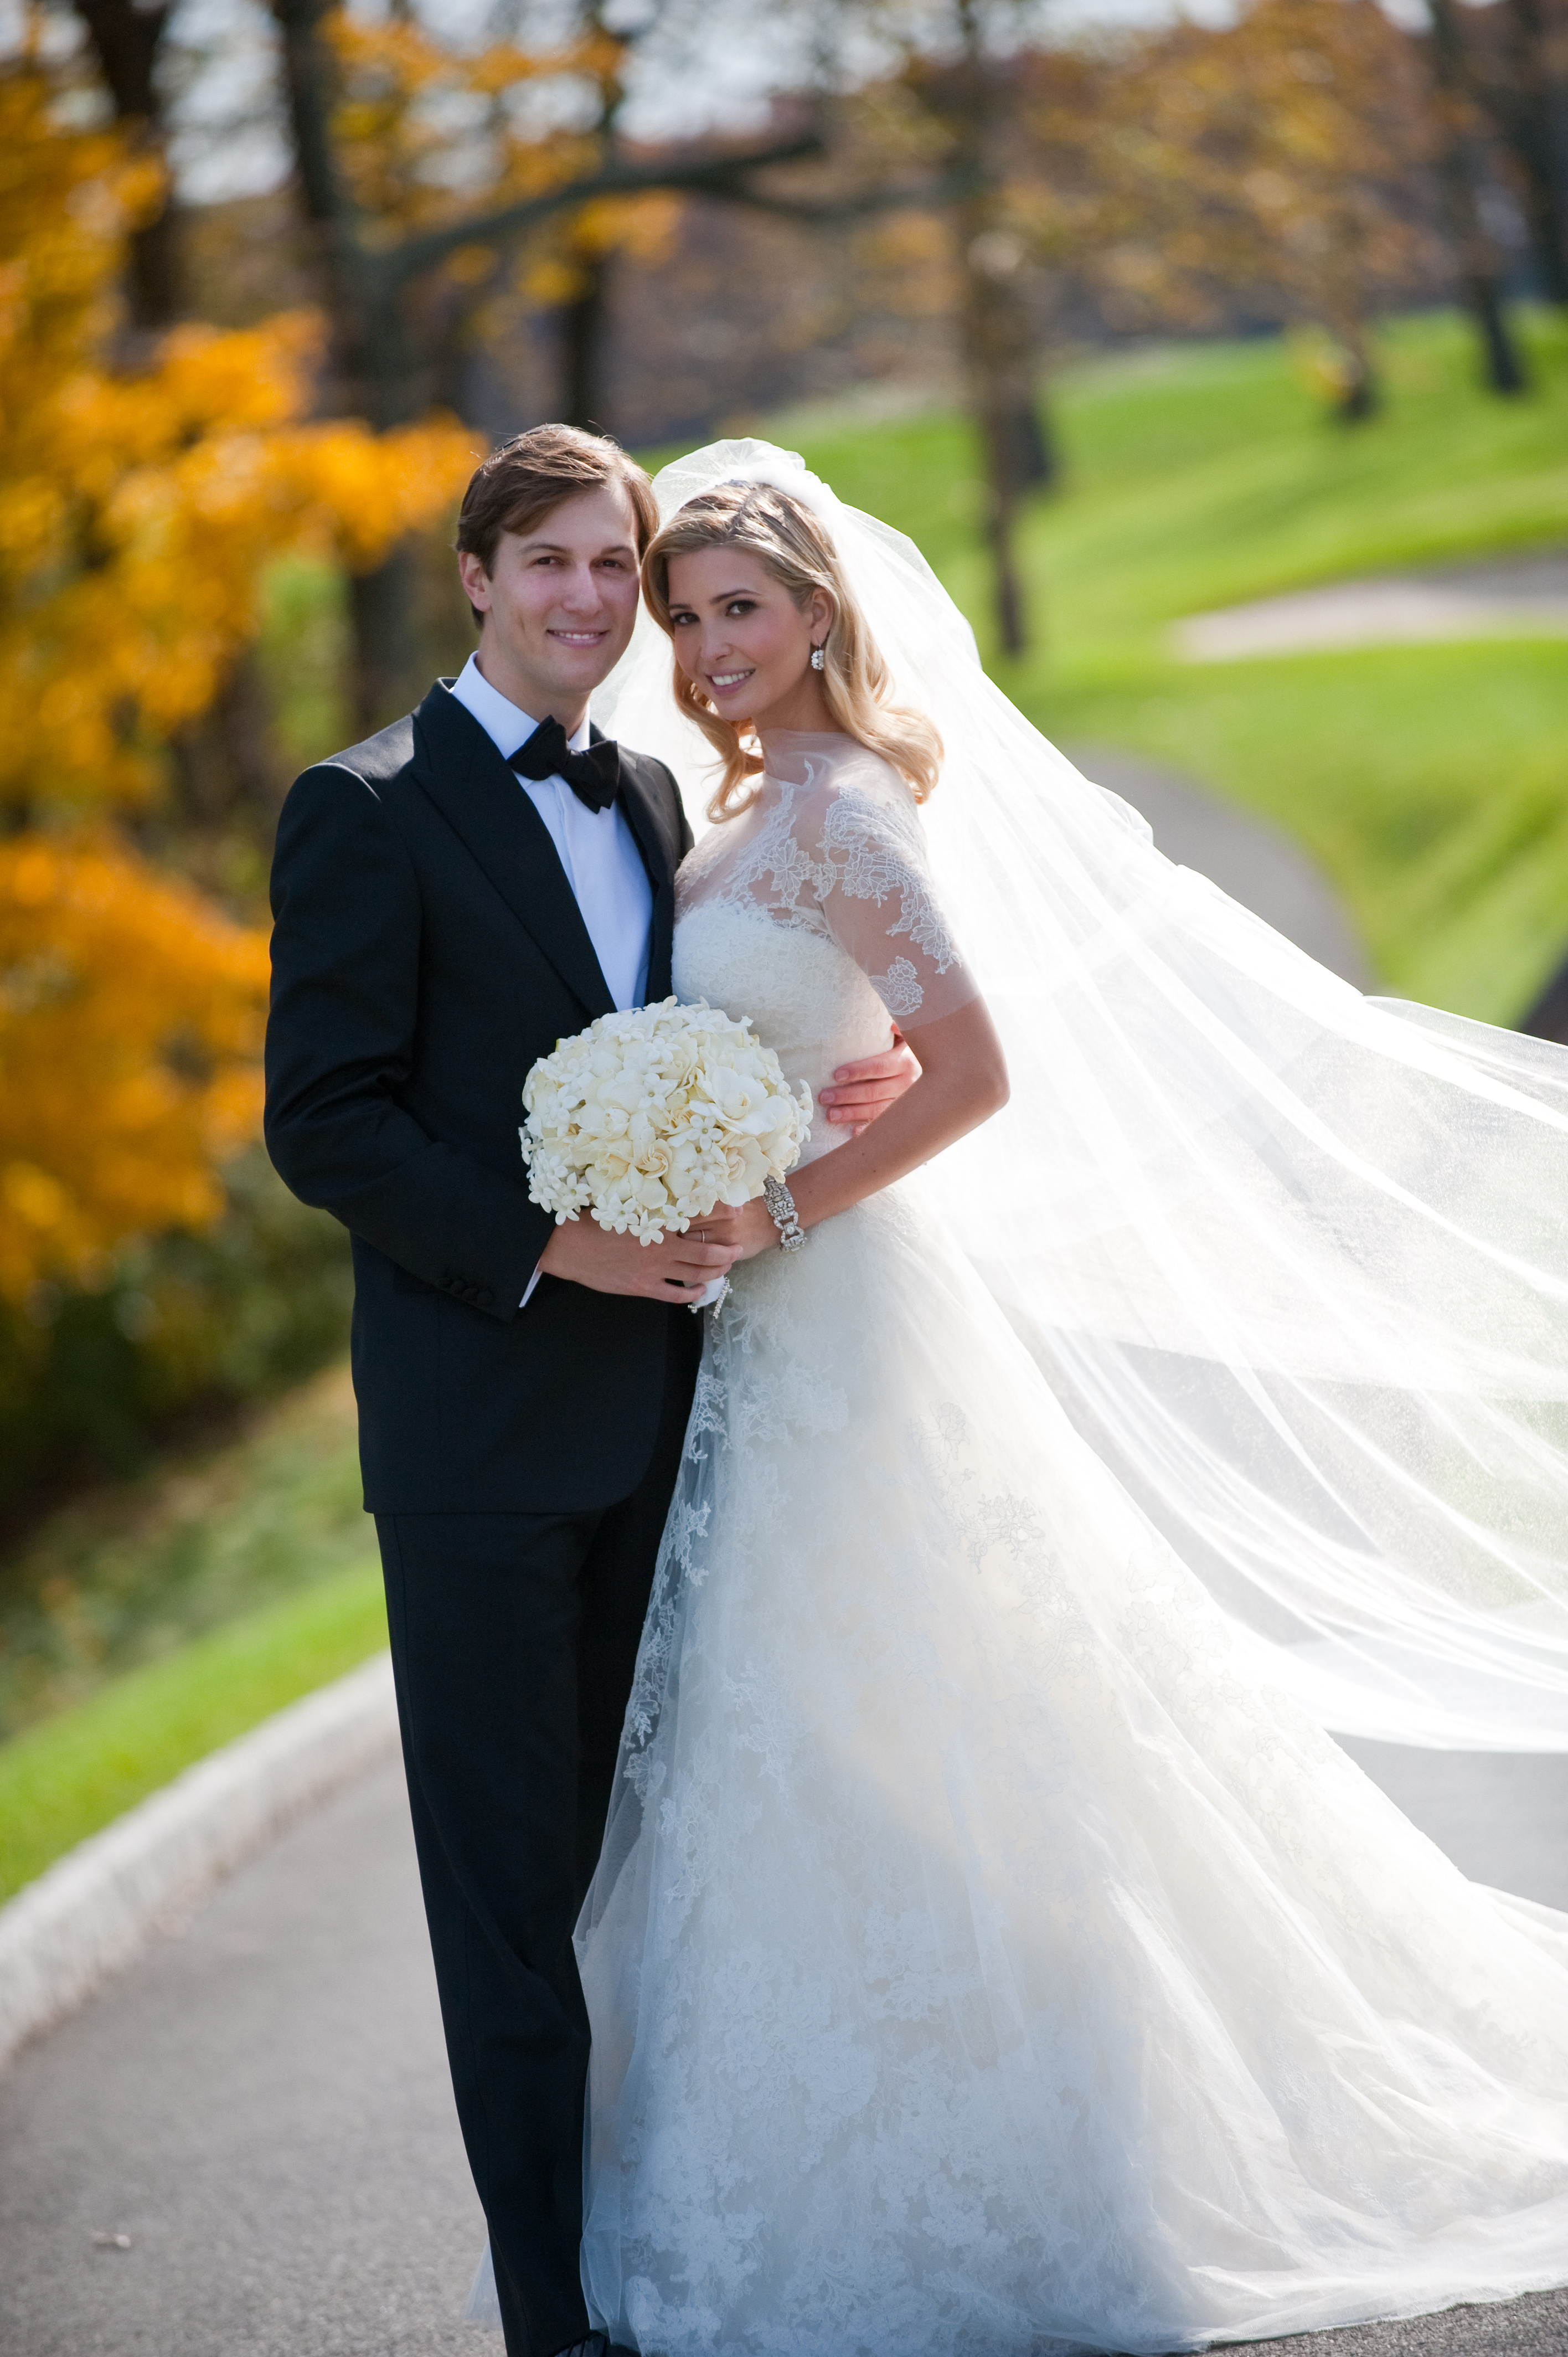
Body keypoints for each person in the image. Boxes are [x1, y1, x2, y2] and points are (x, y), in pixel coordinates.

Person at [571, 444, 1568, 2355]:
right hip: (749, 1341)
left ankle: (1036, 2169)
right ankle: (801, 2165)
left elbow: (973, 1072)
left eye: (739, 610)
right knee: (791, 1742)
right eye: (684, 618)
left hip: (839, 1318)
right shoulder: (737, 810)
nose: (704, 649)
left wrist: (779, 1200)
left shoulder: (847, 815)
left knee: (896, 1722)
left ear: (818, 614)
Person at [262, 425, 915, 2357]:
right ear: (476, 578)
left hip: (675, 1424)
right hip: (477, 1448)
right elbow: (327, 1125)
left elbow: (701, 1051)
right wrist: (557, 1249)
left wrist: (829, 1095)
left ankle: (668, 2258)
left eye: (614, 566)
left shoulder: (647, 792)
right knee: (512, 1904)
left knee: (662, 1879)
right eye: (546, 560)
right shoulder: (361, 806)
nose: (587, 598)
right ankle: (554, 2319)